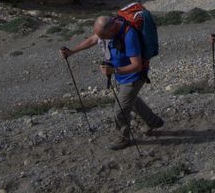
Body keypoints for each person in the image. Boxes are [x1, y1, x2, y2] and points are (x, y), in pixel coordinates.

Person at [60, 15, 164, 150]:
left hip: (133, 77)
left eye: (104, 36)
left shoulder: (129, 35)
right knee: (131, 101)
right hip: (121, 76)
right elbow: (93, 39)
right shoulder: (109, 29)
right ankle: (154, 121)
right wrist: (72, 51)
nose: (101, 39)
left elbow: (137, 65)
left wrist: (114, 70)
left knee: (120, 111)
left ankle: (123, 138)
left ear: (112, 28)